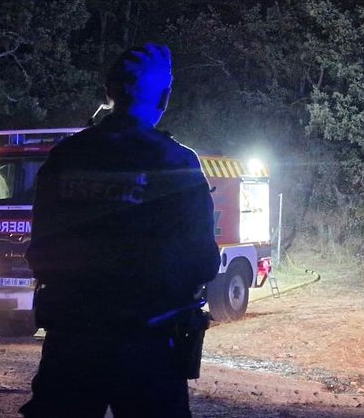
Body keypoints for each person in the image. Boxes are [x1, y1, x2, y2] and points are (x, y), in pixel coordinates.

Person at [21, 44, 220, 418]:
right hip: (151, 344)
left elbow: (41, 250)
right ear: (164, 96)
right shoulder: (176, 161)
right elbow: (202, 260)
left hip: (73, 341)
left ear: (110, 92)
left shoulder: (66, 156)